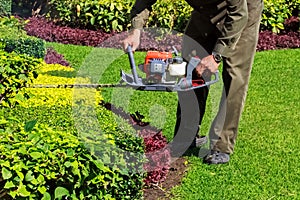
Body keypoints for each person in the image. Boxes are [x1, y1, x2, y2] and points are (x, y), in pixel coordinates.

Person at [123, 0, 263, 164]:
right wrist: (136, 30)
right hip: (205, 10)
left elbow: (239, 13)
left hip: (243, 12)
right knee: (189, 65)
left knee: (234, 76)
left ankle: (221, 146)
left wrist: (217, 56)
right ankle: (186, 136)